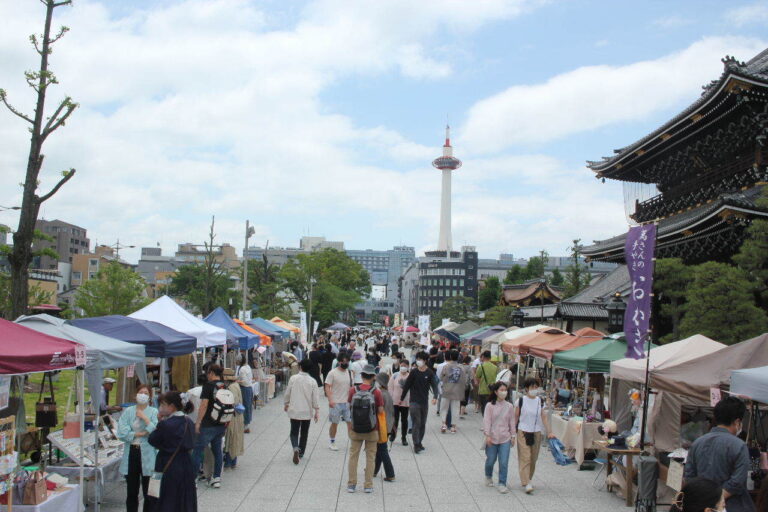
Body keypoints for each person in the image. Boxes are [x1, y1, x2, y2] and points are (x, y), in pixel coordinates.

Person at [685, 396, 754, 512]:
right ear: (737, 422)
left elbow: (689, 476)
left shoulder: (697, 443)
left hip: (702, 505)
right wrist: (718, 499)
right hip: (734, 505)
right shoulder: (739, 446)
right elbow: (737, 481)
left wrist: (706, 499)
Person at [148, 391, 197, 512]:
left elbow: (152, 440)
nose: (160, 408)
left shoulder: (166, 424)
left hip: (168, 463)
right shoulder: (189, 422)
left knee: (167, 498)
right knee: (184, 497)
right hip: (186, 463)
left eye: (163, 404)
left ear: (171, 406)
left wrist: (159, 422)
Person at [116, 385, 158, 512]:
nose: (143, 395)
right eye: (141, 392)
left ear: (150, 396)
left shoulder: (153, 412)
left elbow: (155, 429)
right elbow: (122, 432)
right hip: (132, 452)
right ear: (136, 395)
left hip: (148, 453)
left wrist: (145, 418)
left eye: (146, 393)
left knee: (148, 492)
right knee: (131, 491)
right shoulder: (128, 411)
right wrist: (139, 433)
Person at [347, 365, 385, 493]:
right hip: (372, 429)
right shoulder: (377, 392)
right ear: (373, 377)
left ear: (362, 376)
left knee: (353, 456)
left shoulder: (353, 390)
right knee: (370, 457)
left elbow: (349, 408)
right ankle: (368, 485)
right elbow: (380, 410)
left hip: (356, 429)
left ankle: (351, 484)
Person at [514, 377, 554, 494]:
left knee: (533, 458)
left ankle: (528, 478)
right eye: (532, 387)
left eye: (536, 387)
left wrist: (549, 431)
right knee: (525, 457)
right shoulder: (520, 401)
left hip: (536, 432)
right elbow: (515, 417)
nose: (535, 389)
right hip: (523, 431)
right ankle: (526, 482)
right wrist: (512, 432)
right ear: (527, 388)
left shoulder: (539, 401)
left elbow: (544, 417)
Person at [192, 364, 228, 489]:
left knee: (197, 450)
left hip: (207, 424)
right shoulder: (224, 385)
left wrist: (198, 422)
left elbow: (204, 405)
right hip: (220, 424)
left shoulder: (208, 386)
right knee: (217, 451)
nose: (207, 375)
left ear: (211, 373)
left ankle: (193, 479)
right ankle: (216, 477)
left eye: (208, 373)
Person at [400, 351, 438, 453]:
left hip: (424, 401)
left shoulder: (429, 372)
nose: (418, 361)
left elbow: (434, 385)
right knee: (416, 422)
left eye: (420, 359)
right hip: (414, 401)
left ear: (425, 361)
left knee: (422, 423)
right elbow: (407, 385)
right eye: (417, 359)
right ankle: (416, 444)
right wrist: (402, 398)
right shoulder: (413, 372)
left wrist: (435, 396)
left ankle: (419, 442)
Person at [284, 358, 320, 463]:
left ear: (300, 367)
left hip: (295, 409)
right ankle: (301, 452)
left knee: (294, 432)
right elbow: (315, 398)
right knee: (304, 432)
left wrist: (286, 403)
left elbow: (288, 393)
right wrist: (317, 411)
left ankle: (295, 447)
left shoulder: (293, 378)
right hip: (306, 411)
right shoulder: (313, 381)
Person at [483, 382, 516, 494]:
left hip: (505, 438)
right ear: (496, 391)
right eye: (501, 390)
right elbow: (487, 421)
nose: (504, 392)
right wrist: (487, 435)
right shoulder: (489, 406)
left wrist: (513, 435)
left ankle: (502, 483)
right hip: (492, 437)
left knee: (503, 462)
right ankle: (488, 475)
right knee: (490, 460)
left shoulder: (510, 406)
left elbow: (512, 421)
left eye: (505, 390)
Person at [325, 353, 353, 451]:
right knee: (334, 423)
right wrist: (330, 400)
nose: (346, 363)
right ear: (339, 362)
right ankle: (332, 442)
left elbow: (351, 387)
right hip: (335, 402)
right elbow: (327, 386)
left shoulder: (349, 372)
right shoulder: (332, 373)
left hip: (347, 402)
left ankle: (352, 442)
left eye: (348, 361)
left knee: (350, 423)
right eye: (344, 361)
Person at [374, 372, 395, 482]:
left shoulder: (380, 394)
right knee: (379, 449)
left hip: (382, 426)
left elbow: (378, 410)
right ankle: (374, 470)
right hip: (388, 425)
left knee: (382, 450)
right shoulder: (386, 393)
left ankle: (390, 473)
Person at [440, 350, 468, 434]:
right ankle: (453, 427)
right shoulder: (461, 368)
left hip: (447, 389)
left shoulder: (446, 366)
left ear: (451, 357)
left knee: (444, 408)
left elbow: (442, 377)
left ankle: (444, 424)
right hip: (457, 391)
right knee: (455, 408)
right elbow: (464, 380)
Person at [222, 368, 244, 470]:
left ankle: (228, 463)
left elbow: (232, 402)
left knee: (230, 439)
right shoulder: (236, 385)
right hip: (237, 415)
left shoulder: (231, 387)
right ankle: (233, 462)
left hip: (233, 416)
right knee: (234, 438)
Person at [388, 360, 410, 446]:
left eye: (405, 365)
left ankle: (404, 437)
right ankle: (393, 434)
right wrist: (390, 398)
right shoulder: (395, 375)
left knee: (404, 420)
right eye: (401, 365)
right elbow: (390, 387)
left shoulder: (410, 376)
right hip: (395, 401)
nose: (403, 367)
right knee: (395, 419)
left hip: (406, 402)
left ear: (408, 367)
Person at [474, 351, 498, 416]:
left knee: (484, 409)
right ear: (490, 357)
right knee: (491, 409)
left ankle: (486, 423)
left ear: (483, 357)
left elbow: (477, 377)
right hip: (492, 391)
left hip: (483, 390)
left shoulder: (481, 366)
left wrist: (479, 382)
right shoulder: (495, 367)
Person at [235, 354, 254, 434]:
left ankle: (245, 425)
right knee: (248, 406)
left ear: (239, 361)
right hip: (249, 388)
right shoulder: (248, 367)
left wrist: (236, 381)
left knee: (244, 406)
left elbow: (244, 381)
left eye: (237, 361)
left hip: (244, 388)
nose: (236, 362)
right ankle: (246, 424)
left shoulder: (242, 369)